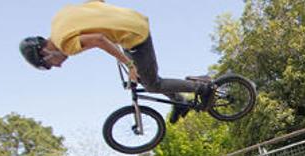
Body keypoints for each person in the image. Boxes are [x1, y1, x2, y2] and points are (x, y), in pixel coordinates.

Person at [19, 0, 213, 123]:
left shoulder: (65, 44)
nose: (59, 65)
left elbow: (99, 40)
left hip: (135, 35)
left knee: (152, 84)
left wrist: (129, 65)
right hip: (131, 22)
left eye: (50, 64)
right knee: (145, 75)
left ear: (44, 52)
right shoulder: (59, 20)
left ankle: (202, 88)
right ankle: (179, 101)